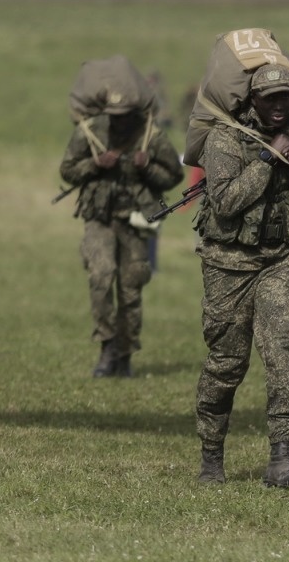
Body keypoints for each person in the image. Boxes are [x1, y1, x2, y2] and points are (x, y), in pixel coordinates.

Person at [192, 62, 289, 487]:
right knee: (226, 363)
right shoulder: (225, 140)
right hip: (227, 265)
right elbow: (225, 201)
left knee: (282, 356)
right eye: (269, 98)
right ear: (252, 99)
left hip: (279, 261)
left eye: (284, 97)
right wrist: (267, 160)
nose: (277, 106)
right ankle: (212, 458)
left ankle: (282, 459)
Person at [60, 56, 184, 378]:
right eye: (113, 115)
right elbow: (68, 170)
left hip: (134, 220)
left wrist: (148, 168)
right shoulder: (90, 133)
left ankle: (125, 354)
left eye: (124, 116)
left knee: (131, 287)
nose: (118, 121)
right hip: (99, 218)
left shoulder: (150, 137)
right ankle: (106, 347)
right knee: (101, 276)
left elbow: (173, 176)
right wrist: (95, 165)